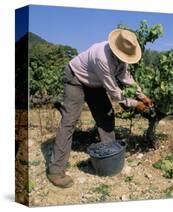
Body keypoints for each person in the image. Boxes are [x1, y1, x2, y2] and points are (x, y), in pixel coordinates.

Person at [47, 29, 153, 188]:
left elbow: (126, 77)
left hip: (94, 82)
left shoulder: (120, 57)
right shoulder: (102, 58)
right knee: (69, 121)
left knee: (106, 116)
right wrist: (136, 104)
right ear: (116, 48)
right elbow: (114, 93)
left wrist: (142, 95)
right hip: (76, 78)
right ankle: (55, 170)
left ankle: (108, 155)